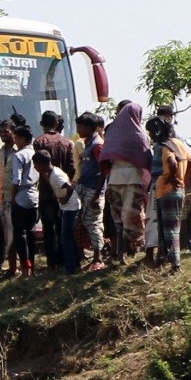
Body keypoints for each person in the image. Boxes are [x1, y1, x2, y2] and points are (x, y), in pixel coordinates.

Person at [99, 101, 152, 264]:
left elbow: (105, 156)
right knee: (133, 218)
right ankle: (134, 252)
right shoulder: (140, 134)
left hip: (114, 180)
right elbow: (146, 157)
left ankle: (121, 255)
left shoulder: (112, 131)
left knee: (119, 221)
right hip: (132, 180)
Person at [148, 117, 191, 273]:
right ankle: (161, 261)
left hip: (167, 190)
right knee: (167, 227)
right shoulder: (180, 143)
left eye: (150, 132)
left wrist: (172, 177)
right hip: (177, 191)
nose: (150, 136)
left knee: (170, 230)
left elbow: (173, 162)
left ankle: (175, 265)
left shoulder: (166, 145)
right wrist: (185, 180)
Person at [34, 111, 75, 271]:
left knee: (49, 228)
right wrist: (62, 182)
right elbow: (71, 168)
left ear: (41, 124)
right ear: (57, 124)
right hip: (63, 191)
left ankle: (52, 262)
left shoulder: (39, 141)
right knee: (62, 226)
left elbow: (40, 168)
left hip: (46, 192)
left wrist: (52, 184)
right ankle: (64, 259)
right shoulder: (67, 142)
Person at [34, 150, 81, 275]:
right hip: (66, 207)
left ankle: (70, 268)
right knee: (68, 237)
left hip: (71, 207)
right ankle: (75, 264)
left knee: (66, 239)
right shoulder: (51, 173)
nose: (35, 167)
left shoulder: (56, 175)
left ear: (42, 164)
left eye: (36, 165)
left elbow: (69, 188)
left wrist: (65, 200)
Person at [74, 113, 107, 271]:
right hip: (85, 187)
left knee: (93, 223)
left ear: (88, 127)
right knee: (83, 222)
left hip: (94, 189)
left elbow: (103, 171)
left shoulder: (97, 145)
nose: (78, 130)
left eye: (80, 127)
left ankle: (98, 258)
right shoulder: (88, 143)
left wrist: (96, 195)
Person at [11, 125, 40, 277]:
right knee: (31, 232)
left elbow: (16, 178)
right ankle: (32, 265)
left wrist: (13, 196)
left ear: (22, 138)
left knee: (19, 233)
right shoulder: (35, 153)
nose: (15, 141)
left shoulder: (19, 155)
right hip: (35, 194)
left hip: (21, 195)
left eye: (16, 138)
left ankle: (25, 266)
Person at [0, 119, 19, 275]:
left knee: (15, 232)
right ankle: (11, 266)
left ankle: (17, 266)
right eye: (1, 132)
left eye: (6, 131)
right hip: (3, 197)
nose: (3, 135)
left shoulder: (20, 152)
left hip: (17, 197)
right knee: (7, 232)